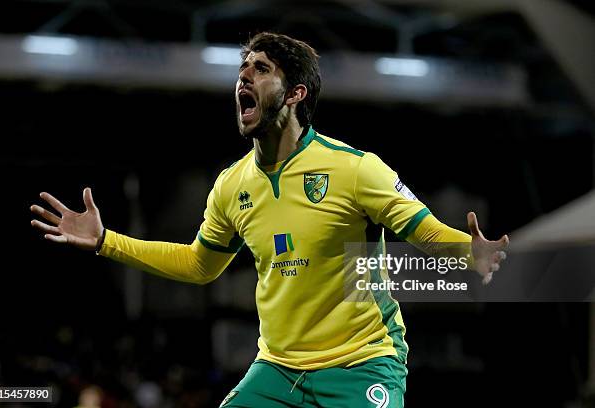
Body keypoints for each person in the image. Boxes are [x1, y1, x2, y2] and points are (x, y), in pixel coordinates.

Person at [31, 32, 509, 408]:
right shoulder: (231, 185)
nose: (244, 77)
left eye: (261, 69)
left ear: (295, 92)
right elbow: (200, 265)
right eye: (242, 68)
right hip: (277, 370)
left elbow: (422, 228)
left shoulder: (355, 168)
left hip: (362, 364)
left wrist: (469, 250)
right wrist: (105, 242)